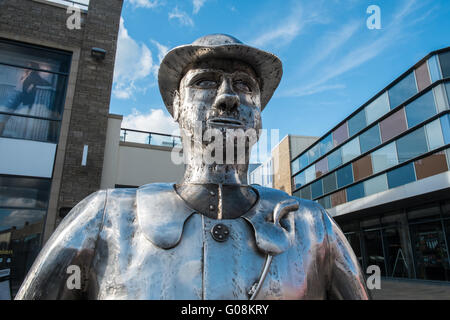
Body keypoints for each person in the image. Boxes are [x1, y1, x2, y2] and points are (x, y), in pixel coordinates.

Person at [15, 34, 370, 300]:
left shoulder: (312, 227)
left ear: (259, 113)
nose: (228, 97)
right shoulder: (104, 218)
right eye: (205, 82)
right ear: (177, 106)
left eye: (244, 86)